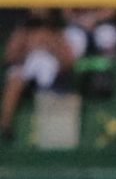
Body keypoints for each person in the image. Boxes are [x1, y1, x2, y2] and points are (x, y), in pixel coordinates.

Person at [1, 10, 76, 146]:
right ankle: (5, 124)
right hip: (26, 73)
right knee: (14, 80)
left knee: (46, 67)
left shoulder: (56, 32)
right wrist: (28, 49)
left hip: (51, 75)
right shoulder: (23, 31)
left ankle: (53, 133)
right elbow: (9, 56)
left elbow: (69, 60)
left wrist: (50, 47)